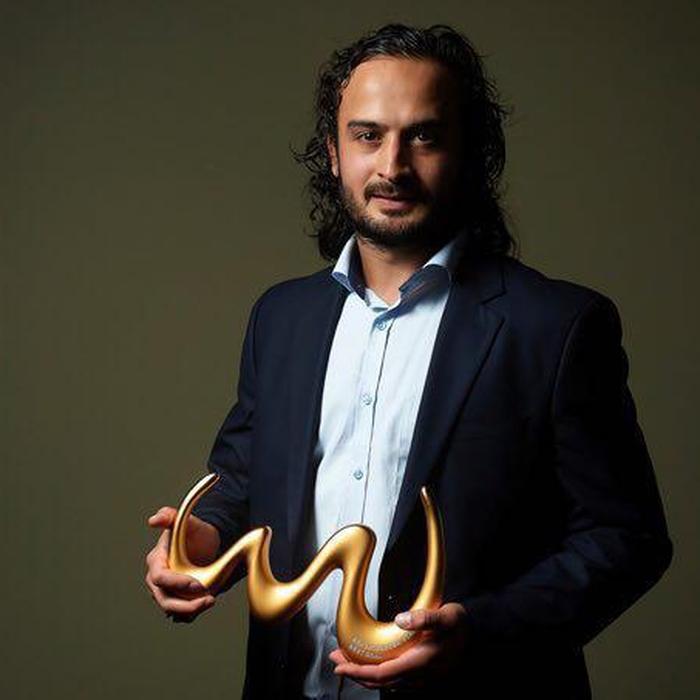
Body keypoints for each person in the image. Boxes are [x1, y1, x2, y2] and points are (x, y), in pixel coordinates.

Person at [144, 23, 673, 699]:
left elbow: (626, 538)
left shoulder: (558, 327)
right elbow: (243, 479)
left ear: (469, 152)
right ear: (333, 152)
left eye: (423, 137)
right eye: (367, 135)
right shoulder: (281, 318)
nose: (392, 167)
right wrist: (199, 542)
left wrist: (480, 632)